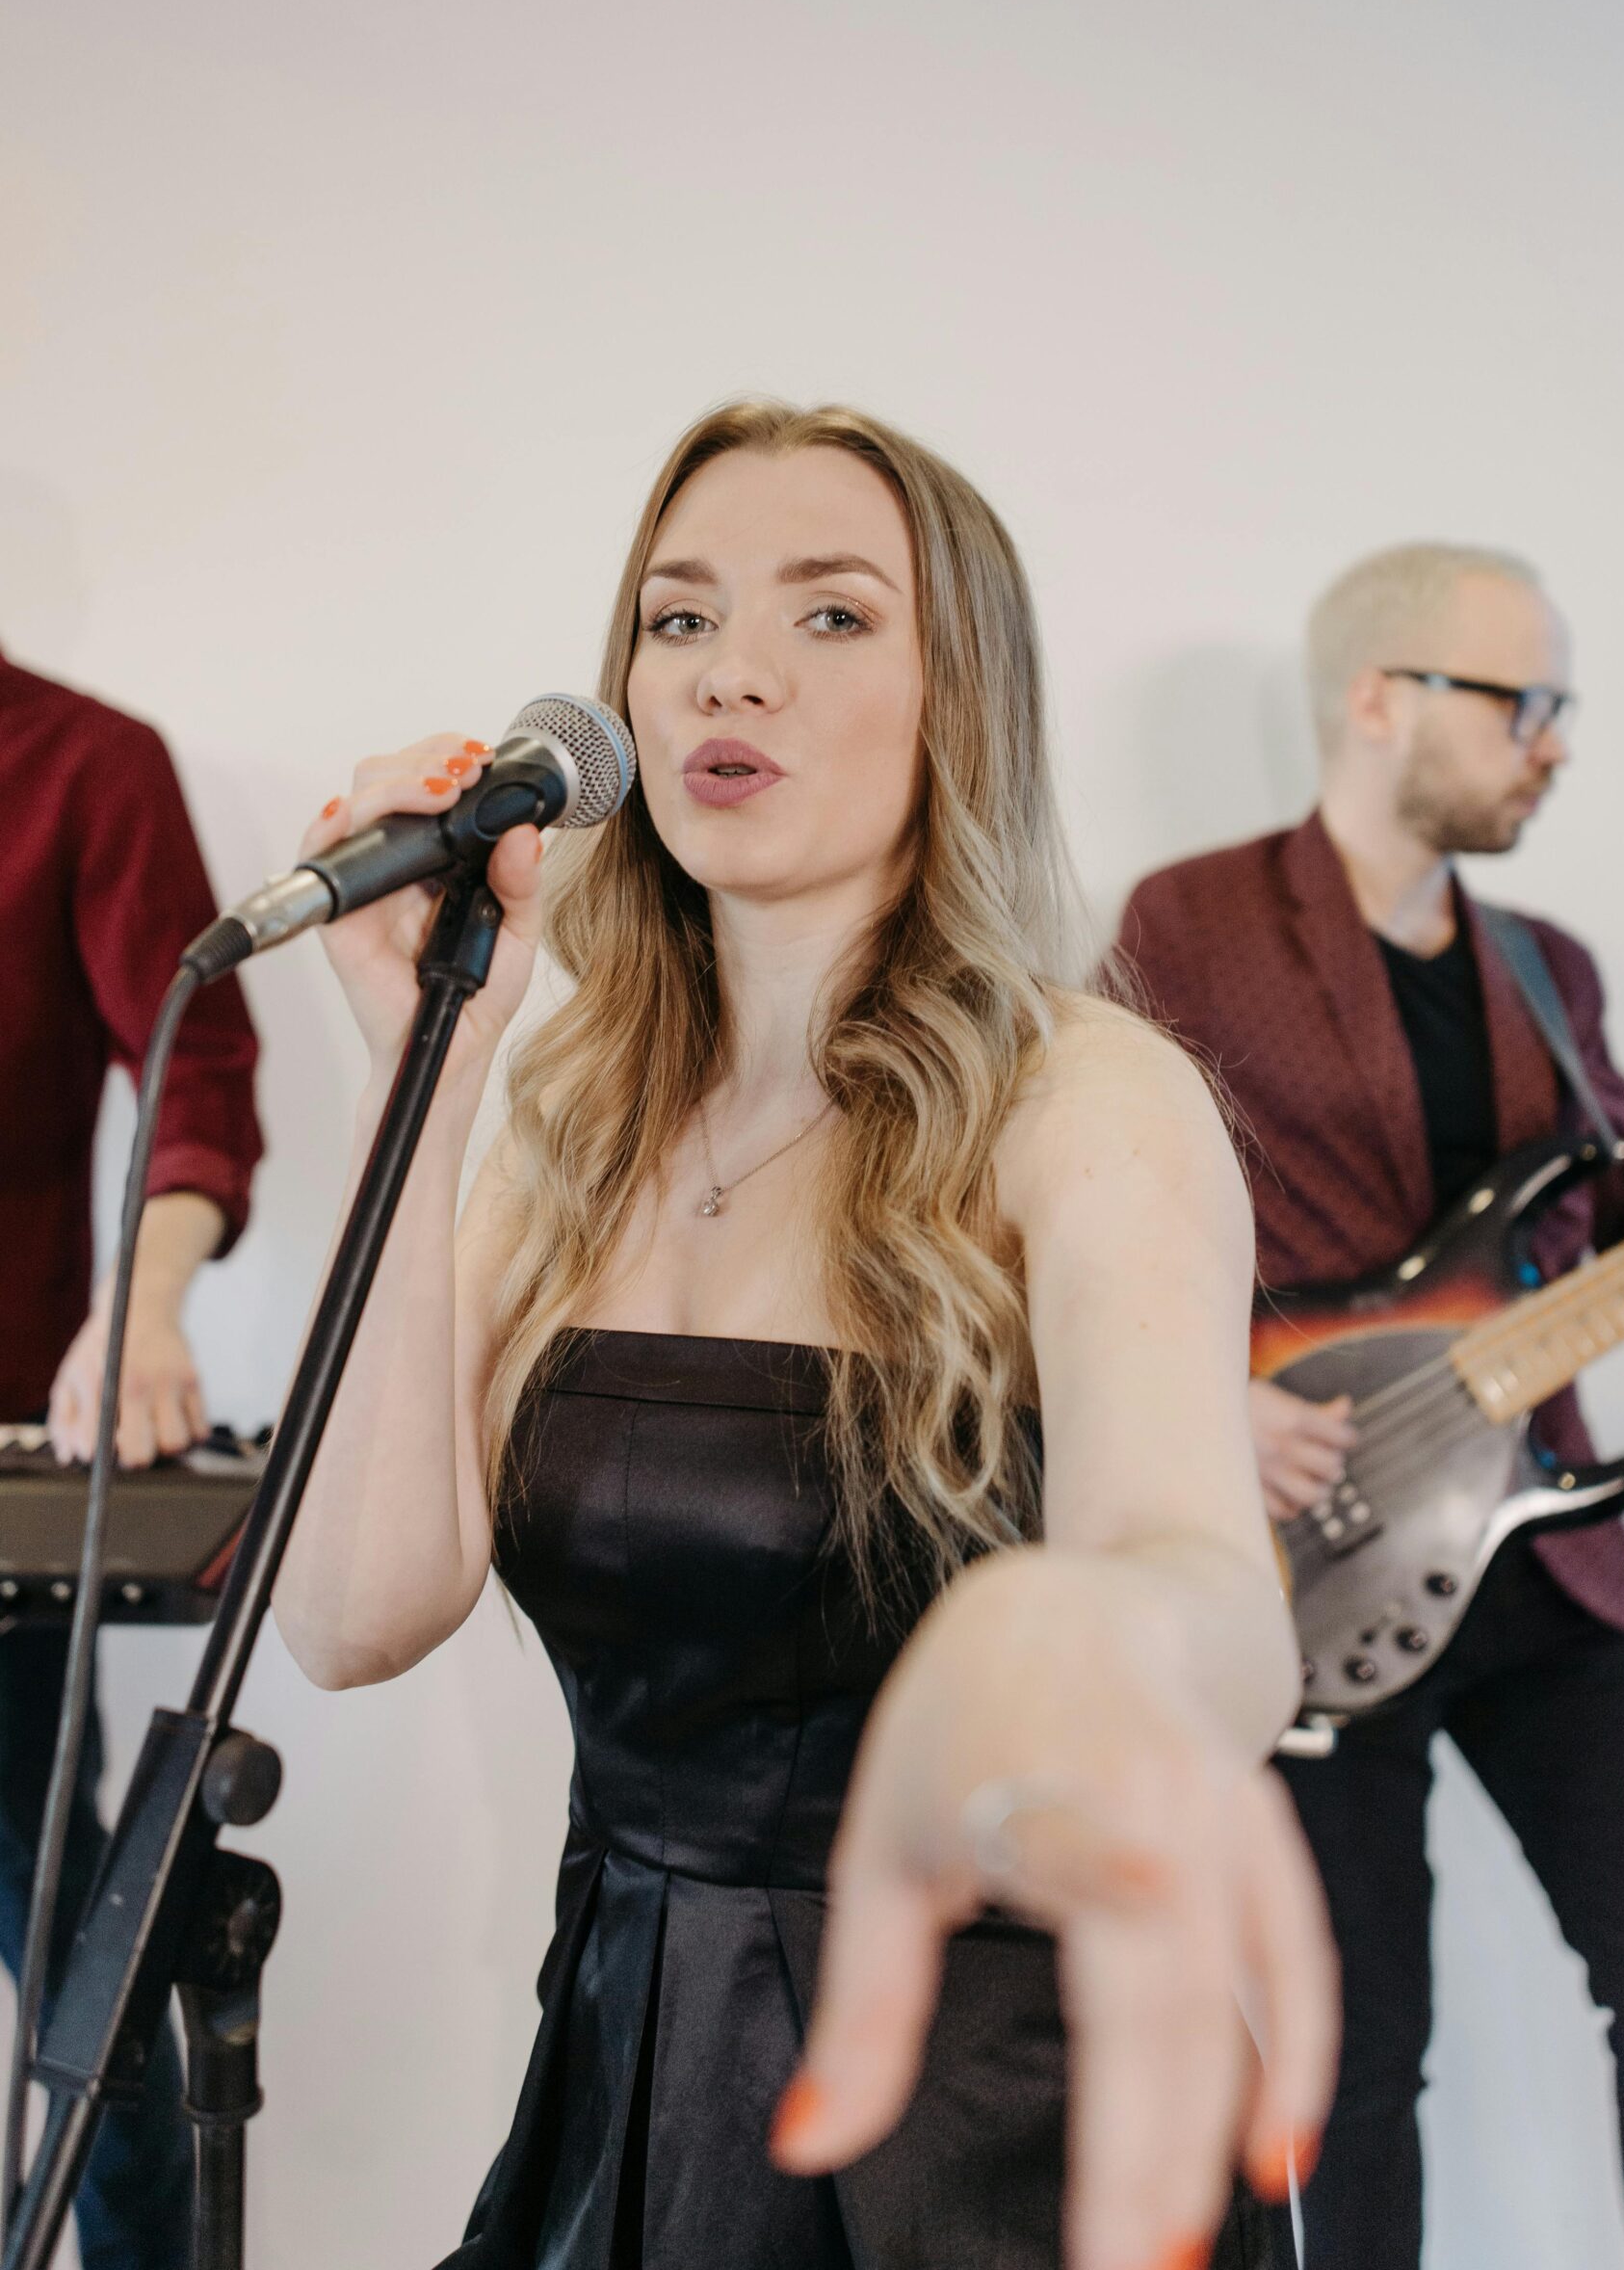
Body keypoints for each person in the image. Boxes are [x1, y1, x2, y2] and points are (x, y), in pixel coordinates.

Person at [272, 400, 1335, 2270]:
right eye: (675, 620)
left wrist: (1099, 1635)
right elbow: (352, 1609)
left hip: (993, 2123)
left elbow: (1200, 1574)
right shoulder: (567, 1127)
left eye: (830, 615)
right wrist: (419, 1058)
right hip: (631, 2074)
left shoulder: (1088, 1100)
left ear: (961, 700)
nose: (728, 670)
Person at [1116, 542, 1624, 2269]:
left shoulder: (1553, 976)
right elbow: (1087, 1212)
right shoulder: (1186, 922)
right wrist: (1204, 1403)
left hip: (1540, 1563)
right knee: (1349, 2058)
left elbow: (1605, 1205)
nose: (1555, 742)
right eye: (1526, 703)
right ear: (1377, 699)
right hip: (1306, 1560)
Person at [0, 645, 262, 2268]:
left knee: (74, 1970)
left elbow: (201, 1089)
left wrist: (139, 1309)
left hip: (13, 1477)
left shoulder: (87, 764)